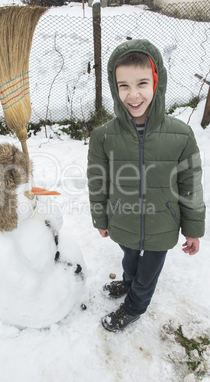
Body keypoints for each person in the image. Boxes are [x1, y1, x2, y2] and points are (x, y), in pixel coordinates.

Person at [87, 39, 205, 332]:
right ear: (115, 89)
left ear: (157, 83)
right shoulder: (103, 137)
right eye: (123, 85)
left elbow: (190, 184)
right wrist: (101, 218)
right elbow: (97, 182)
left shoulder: (181, 135)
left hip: (163, 224)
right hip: (123, 219)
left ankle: (135, 307)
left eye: (142, 83)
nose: (134, 94)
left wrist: (192, 229)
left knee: (149, 271)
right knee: (129, 257)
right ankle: (128, 281)